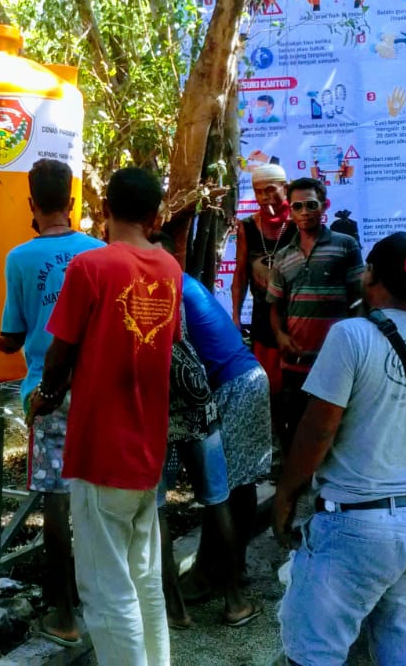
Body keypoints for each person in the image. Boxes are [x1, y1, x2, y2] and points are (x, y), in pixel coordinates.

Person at [271, 231, 406, 664]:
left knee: (314, 653)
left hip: (354, 526)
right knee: (402, 649)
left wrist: (288, 493)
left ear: (371, 276)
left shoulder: (351, 336)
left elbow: (318, 432)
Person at [28, 167, 182, 666]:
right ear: (156, 217)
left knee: (106, 592)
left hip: (100, 453)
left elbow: (60, 350)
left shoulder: (90, 268)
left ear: (103, 210)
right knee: (144, 582)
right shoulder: (171, 269)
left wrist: (48, 393)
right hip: (147, 451)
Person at [0, 159, 102, 648]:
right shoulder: (99, 252)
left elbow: (11, 335)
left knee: (57, 501)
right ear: (73, 202)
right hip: (96, 390)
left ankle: (63, 613)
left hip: (47, 392)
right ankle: (98, 599)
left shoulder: (20, 258)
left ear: (31, 205)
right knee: (98, 495)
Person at [148, 233, 262, 631]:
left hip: (226, 385)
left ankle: (184, 601)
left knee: (223, 492)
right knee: (222, 495)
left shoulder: (166, 286)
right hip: (207, 393)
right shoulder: (179, 282)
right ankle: (231, 594)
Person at [172, 257, 274, 611]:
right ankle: (234, 567)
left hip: (234, 386)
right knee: (239, 485)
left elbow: (178, 358)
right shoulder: (185, 283)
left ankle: (206, 576)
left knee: (220, 491)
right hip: (246, 380)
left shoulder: (173, 290)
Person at [268, 177, 364, 449]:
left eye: (311, 205)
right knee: (297, 434)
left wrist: (353, 344)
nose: (304, 212)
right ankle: (296, 488)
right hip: (295, 363)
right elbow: (274, 307)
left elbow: (359, 299)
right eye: (297, 206)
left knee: (338, 435)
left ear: (325, 206)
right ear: (290, 210)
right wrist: (280, 335)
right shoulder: (283, 256)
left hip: (336, 362)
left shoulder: (345, 246)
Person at [231, 163, 295, 394]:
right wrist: (236, 316)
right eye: (259, 191)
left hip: (296, 318)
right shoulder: (247, 227)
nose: (265, 197)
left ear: (285, 188)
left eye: (270, 189)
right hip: (263, 316)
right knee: (269, 386)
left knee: (296, 386)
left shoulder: (300, 223)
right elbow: (240, 274)